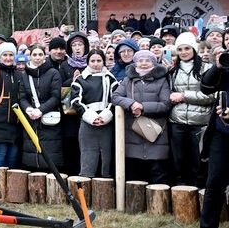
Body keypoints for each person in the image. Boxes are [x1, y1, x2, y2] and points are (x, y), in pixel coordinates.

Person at [198, 31, 229, 228]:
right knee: (214, 184)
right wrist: (218, 66)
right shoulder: (225, 66)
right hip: (222, 132)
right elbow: (205, 87)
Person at [112, 50, 171, 184]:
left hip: (156, 133)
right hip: (133, 134)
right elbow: (115, 97)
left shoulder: (162, 80)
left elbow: (166, 104)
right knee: (135, 178)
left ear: (154, 63)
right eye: (140, 60)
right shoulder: (128, 80)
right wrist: (131, 104)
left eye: (148, 60)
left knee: (158, 177)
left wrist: (143, 107)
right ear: (135, 63)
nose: (143, 63)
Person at [167, 32, 213, 187]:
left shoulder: (207, 68)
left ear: (193, 48)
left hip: (200, 122)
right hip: (177, 121)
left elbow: (212, 96)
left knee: (198, 163)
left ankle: (199, 196)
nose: (183, 52)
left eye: (187, 48)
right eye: (180, 49)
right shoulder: (173, 71)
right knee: (179, 162)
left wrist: (184, 96)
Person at [70, 49, 118, 177]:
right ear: (88, 62)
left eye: (99, 61)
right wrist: (91, 117)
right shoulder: (80, 80)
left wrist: (105, 116)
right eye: (92, 61)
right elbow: (75, 101)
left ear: (104, 62)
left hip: (106, 123)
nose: (95, 64)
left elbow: (116, 99)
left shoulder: (110, 79)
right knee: (88, 156)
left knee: (106, 157)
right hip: (88, 123)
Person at [19, 43, 63, 171]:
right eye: (35, 55)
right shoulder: (25, 75)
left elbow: (55, 97)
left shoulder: (53, 73)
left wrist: (41, 110)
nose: (37, 57)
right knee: (31, 158)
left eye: (40, 54)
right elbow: (22, 97)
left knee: (49, 159)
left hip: (49, 119)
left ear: (45, 56)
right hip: (31, 118)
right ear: (30, 56)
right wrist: (28, 109)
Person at [0, 42, 25, 168]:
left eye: (11, 55)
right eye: (5, 55)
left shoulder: (19, 74)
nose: (8, 58)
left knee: (12, 159)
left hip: (15, 125)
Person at [59, 32, 90, 176]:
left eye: (80, 44)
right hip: (70, 114)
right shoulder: (65, 65)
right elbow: (60, 88)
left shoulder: (92, 63)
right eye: (74, 45)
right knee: (71, 146)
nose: (77, 48)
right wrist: (72, 80)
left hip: (88, 112)